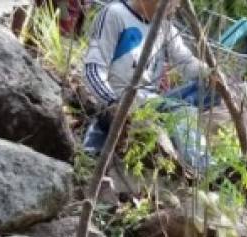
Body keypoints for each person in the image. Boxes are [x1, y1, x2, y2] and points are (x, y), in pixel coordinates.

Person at [82, 0, 214, 172]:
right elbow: (93, 68)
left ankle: (178, 134)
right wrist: (112, 103)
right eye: (176, 1)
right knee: (183, 112)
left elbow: (186, 62)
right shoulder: (116, 14)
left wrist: (210, 73)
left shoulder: (165, 27)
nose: (178, 6)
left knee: (211, 91)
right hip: (122, 98)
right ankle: (202, 167)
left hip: (152, 100)